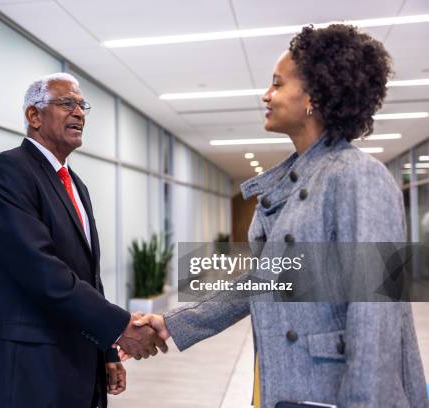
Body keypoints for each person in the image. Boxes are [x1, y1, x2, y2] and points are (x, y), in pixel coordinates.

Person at [132, 25, 428, 407]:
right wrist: (173, 322)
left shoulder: (358, 175)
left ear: (314, 96)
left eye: (277, 84)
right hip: (291, 383)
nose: (265, 95)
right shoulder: (293, 179)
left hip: (334, 391)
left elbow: (377, 313)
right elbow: (264, 281)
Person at [0, 73, 167, 408]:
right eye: (66, 103)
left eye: (82, 105)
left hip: (74, 361)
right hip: (25, 367)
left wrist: (107, 351)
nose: (79, 113)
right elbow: (39, 268)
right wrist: (119, 326)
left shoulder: (75, 184)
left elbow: (87, 276)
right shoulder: (9, 170)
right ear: (34, 116)